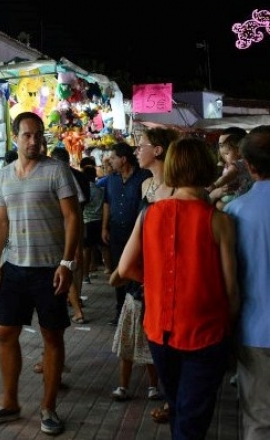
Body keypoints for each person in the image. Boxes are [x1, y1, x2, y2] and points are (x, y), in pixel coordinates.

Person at [117, 137, 238, 440]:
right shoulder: (218, 220)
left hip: (160, 331)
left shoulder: (150, 214)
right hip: (205, 333)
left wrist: (156, 281)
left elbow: (125, 268)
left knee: (179, 410)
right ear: (206, 168)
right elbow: (230, 287)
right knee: (192, 418)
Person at [0, 112, 80, 436]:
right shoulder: (4, 175)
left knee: (52, 336)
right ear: (15, 137)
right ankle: (9, 402)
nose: (34, 141)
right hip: (14, 268)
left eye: (38, 135)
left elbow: (73, 218)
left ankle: (48, 407)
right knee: (5, 334)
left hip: (50, 270)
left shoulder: (57, 170)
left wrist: (67, 264)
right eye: (27, 135)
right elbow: (0, 222)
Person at [108, 127, 179, 405]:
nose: (137, 150)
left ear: (158, 150)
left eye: (143, 145)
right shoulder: (145, 186)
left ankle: (165, 392)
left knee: (165, 334)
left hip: (166, 269)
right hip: (141, 266)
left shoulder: (177, 188)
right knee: (136, 322)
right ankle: (136, 384)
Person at [224, 125, 270, 440]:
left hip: (255, 331)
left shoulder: (235, 211)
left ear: (249, 167)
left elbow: (230, 281)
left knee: (258, 418)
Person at [101, 142, 150, 326]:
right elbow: (107, 203)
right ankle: (120, 310)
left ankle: (137, 310)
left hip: (136, 233)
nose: (110, 161)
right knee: (118, 270)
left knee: (135, 270)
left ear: (123, 159)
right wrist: (104, 227)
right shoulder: (111, 179)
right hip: (116, 231)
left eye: (113, 158)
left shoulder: (144, 177)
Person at [50, 146, 88, 325]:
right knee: (72, 268)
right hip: (68, 231)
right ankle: (76, 301)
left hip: (64, 233)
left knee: (68, 268)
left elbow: (75, 212)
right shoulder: (77, 175)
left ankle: (78, 309)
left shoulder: (64, 176)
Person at [208, 133, 253, 210]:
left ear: (238, 151)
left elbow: (228, 176)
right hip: (239, 196)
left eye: (227, 154)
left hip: (234, 196)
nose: (225, 157)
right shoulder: (232, 164)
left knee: (218, 206)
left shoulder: (238, 163)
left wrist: (215, 185)